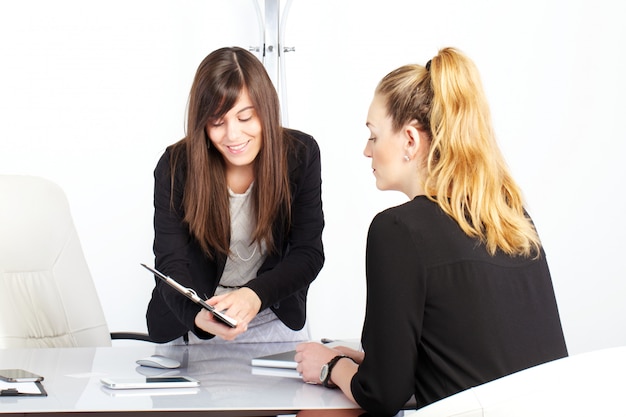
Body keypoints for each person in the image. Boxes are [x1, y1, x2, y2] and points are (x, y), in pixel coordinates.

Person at [295, 47, 568, 416]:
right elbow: (481, 353)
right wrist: (370, 363)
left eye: (373, 136)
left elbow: (382, 395)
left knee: (316, 414)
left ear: (410, 140)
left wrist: (328, 367)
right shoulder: (510, 217)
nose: (366, 150)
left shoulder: (397, 230)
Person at [146, 46, 325, 345]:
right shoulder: (176, 166)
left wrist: (255, 295)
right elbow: (170, 262)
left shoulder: (300, 155)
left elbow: (308, 254)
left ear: (266, 111)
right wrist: (196, 315)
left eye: (245, 117)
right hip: (197, 320)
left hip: (270, 313)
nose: (233, 135)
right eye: (217, 122)